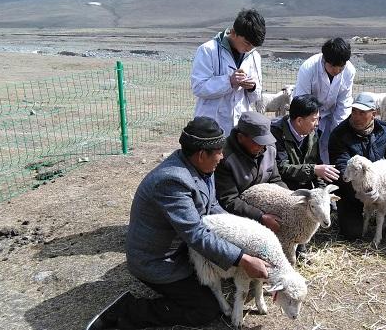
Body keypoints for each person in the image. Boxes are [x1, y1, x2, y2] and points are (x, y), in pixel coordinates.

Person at [86, 118, 269, 330]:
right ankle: (126, 311)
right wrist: (242, 258)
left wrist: (244, 236)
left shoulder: (201, 167)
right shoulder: (172, 181)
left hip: (184, 250)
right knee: (206, 310)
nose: (222, 156)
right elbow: (196, 234)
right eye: (219, 151)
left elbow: (213, 208)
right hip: (159, 261)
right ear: (202, 154)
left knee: (228, 278)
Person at [329, 92, 386, 240]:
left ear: (373, 114)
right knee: (353, 233)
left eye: (362, 113)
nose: (356, 116)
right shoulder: (340, 134)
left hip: (378, 188)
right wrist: (357, 190)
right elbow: (342, 164)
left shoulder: (383, 130)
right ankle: (356, 215)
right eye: (354, 111)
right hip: (351, 192)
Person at [190, 9, 266, 136]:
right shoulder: (208, 50)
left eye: (253, 46)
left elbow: (256, 96)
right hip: (211, 126)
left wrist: (252, 87)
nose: (248, 49)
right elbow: (198, 87)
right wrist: (229, 81)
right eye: (247, 43)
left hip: (240, 129)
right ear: (234, 32)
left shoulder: (254, 56)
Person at [214, 111, 288, 234]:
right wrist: (260, 217)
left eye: (265, 141)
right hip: (239, 216)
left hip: (265, 205)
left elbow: (275, 179)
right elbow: (229, 200)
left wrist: (289, 199)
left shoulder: (269, 148)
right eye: (257, 142)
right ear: (241, 137)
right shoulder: (225, 158)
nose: (262, 147)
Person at [294, 37, 356, 164]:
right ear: (324, 60)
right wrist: (312, 122)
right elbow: (303, 101)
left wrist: (339, 131)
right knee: (307, 148)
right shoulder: (308, 68)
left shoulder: (349, 70)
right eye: (333, 66)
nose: (337, 71)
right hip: (308, 113)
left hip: (331, 113)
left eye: (341, 67)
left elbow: (344, 102)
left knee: (331, 147)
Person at [271, 94, 340, 190]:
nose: (317, 124)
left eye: (318, 119)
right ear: (299, 121)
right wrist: (313, 170)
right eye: (314, 120)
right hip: (283, 189)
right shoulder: (277, 133)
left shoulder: (312, 132)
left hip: (305, 189)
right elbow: (281, 168)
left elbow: (317, 165)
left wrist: (324, 194)